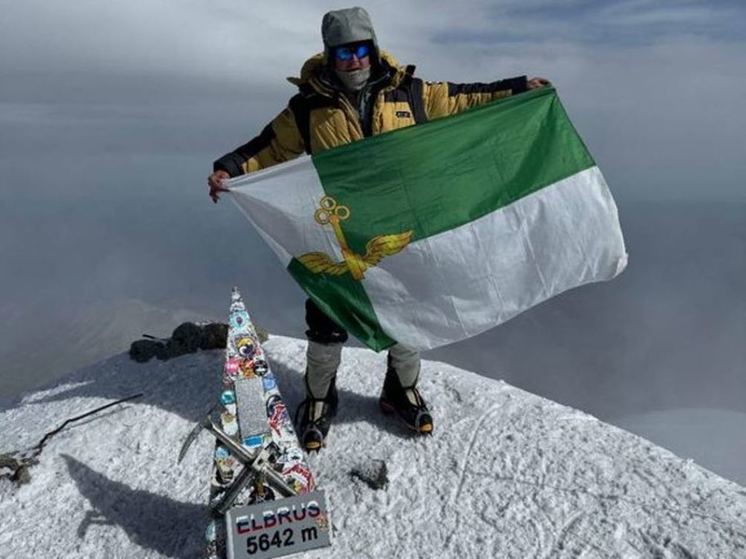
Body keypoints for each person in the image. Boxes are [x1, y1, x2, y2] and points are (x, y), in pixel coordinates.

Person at [207, 7, 549, 452]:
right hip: (341, 234)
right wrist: (228, 169)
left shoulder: (410, 93)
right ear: (330, 54)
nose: (353, 59)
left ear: (372, 47)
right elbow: (269, 147)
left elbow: (467, 99)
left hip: (404, 229)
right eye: (343, 51)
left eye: (361, 48)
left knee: (408, 312)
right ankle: (319, 396)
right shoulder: (309, 108)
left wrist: (519, 89)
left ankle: (399, 390)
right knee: (328, 316)